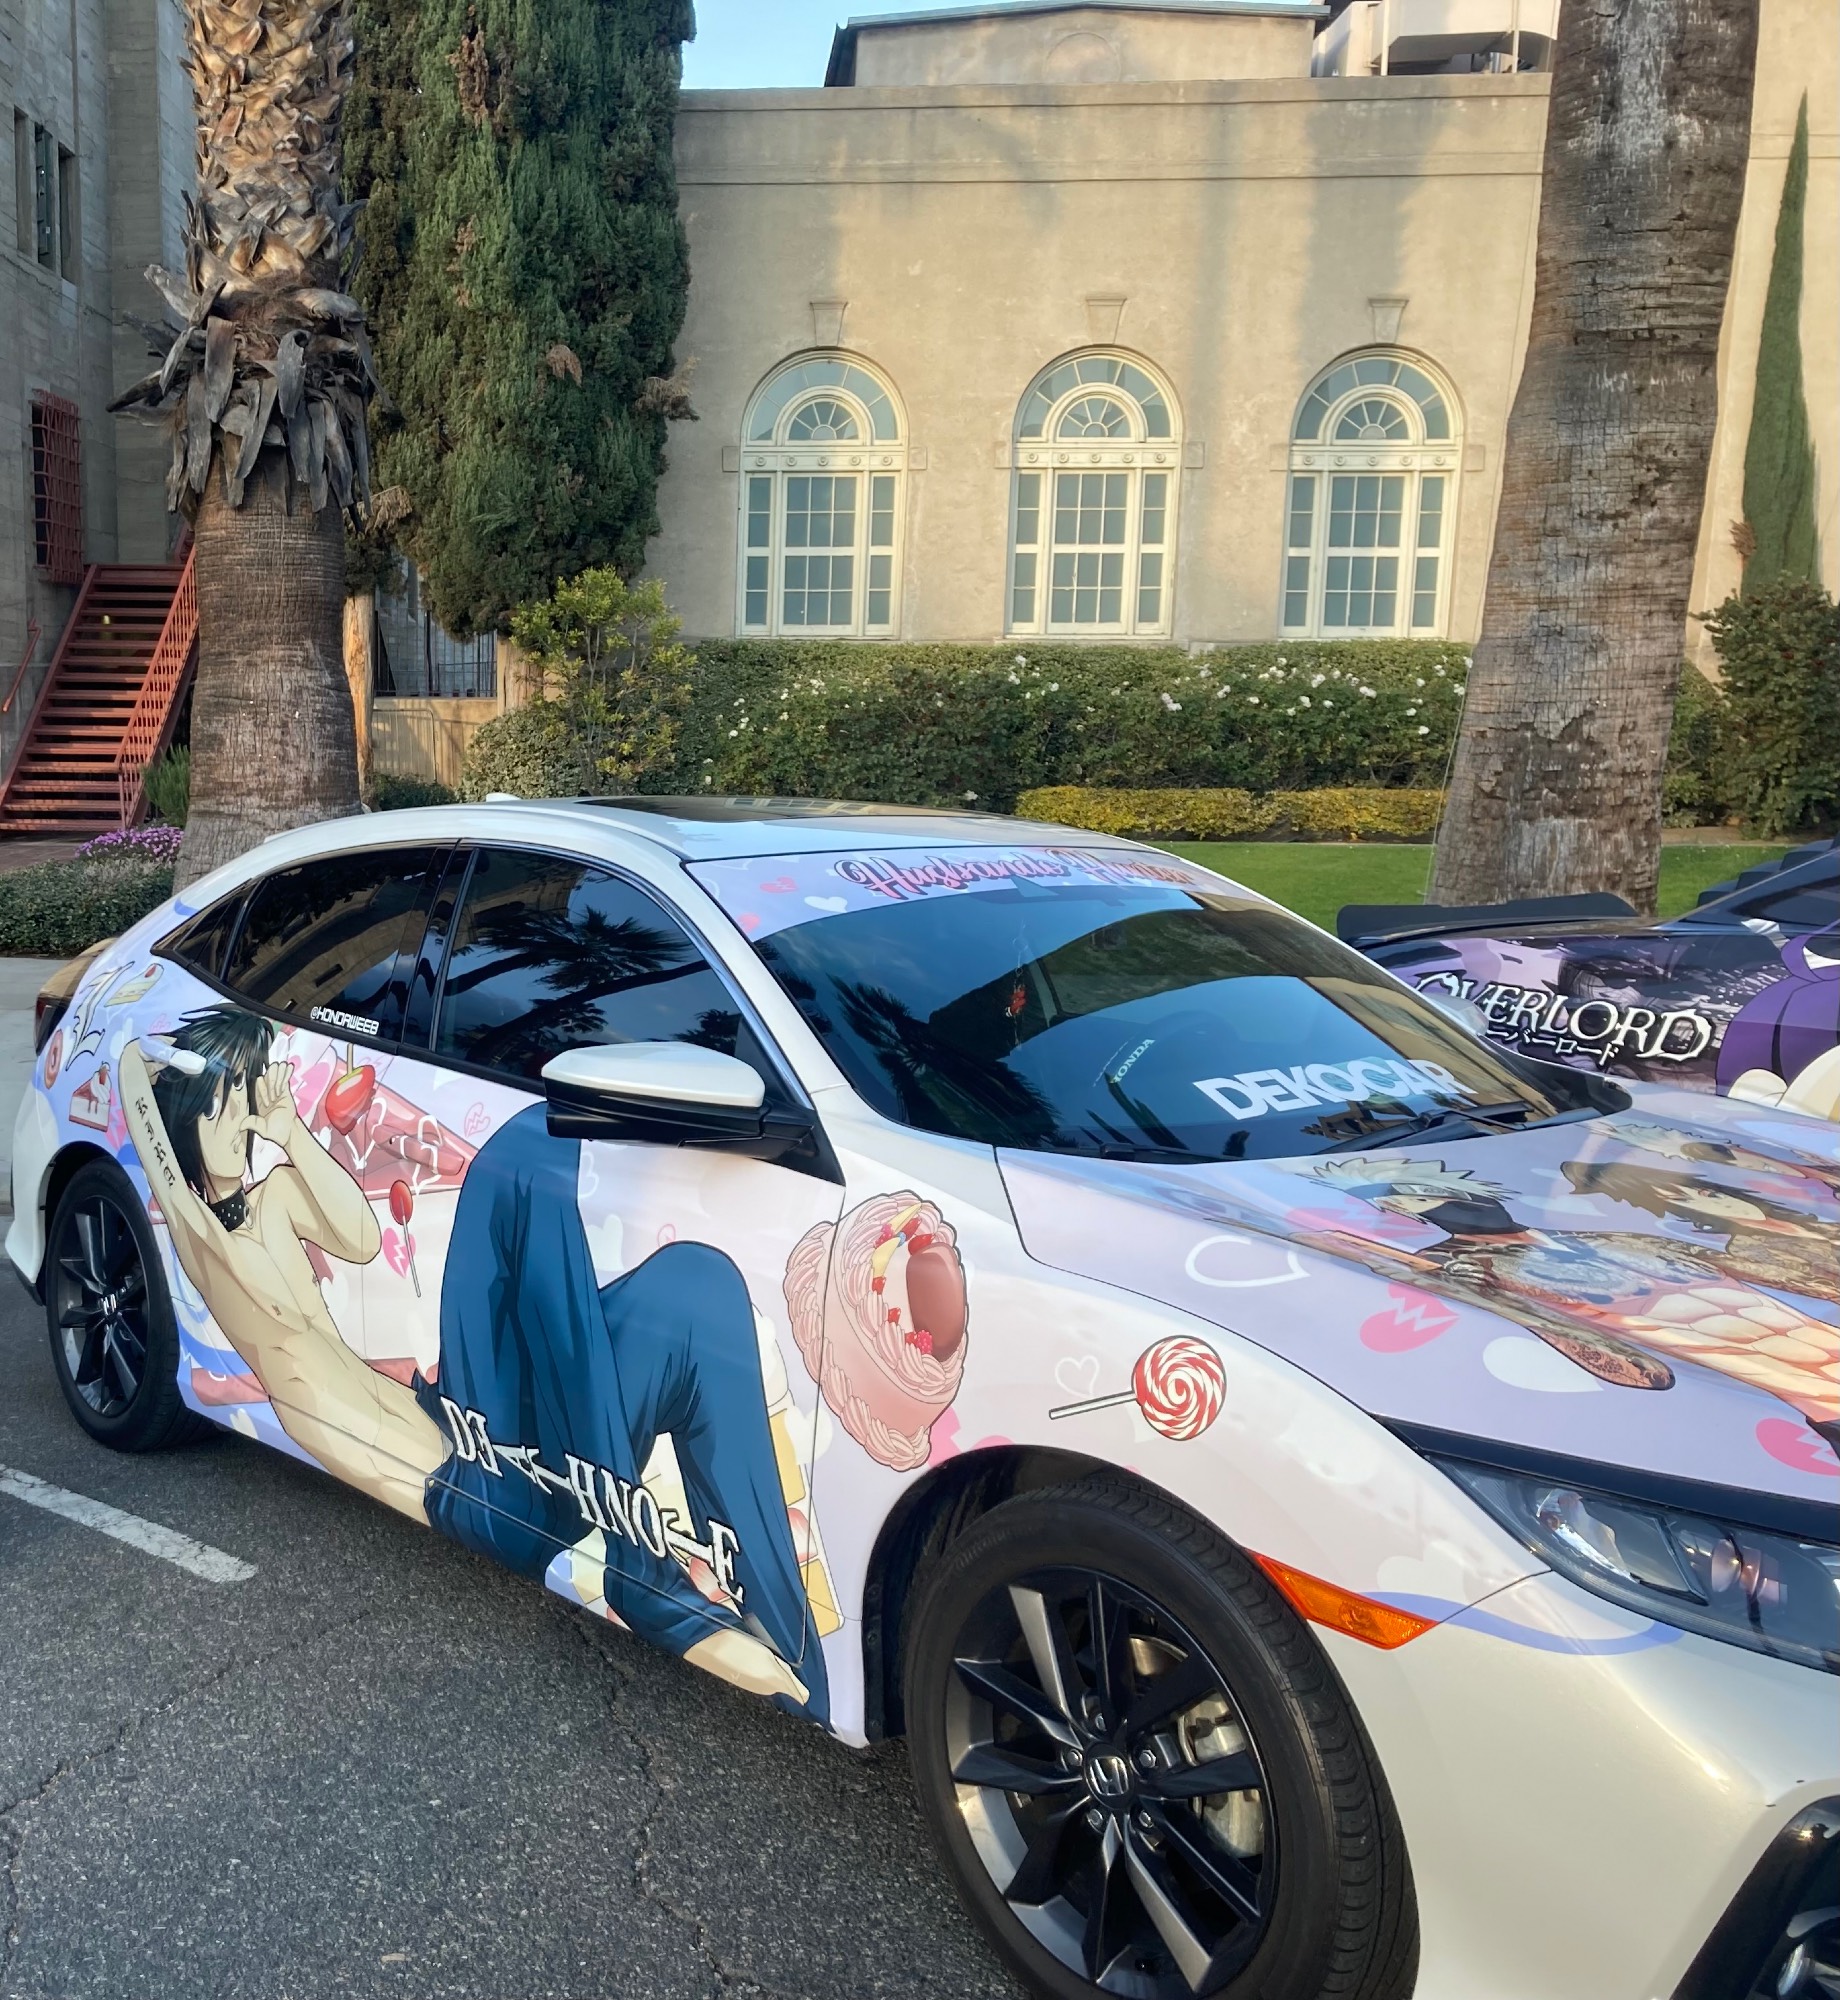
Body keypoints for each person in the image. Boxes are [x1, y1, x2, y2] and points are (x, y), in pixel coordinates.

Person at [124, 1004, 824, 1715]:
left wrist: (288, 1131)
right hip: (461, 1485)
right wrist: (148, 1050)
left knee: (698, 1287)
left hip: (468, 1427)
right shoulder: (204, 1241)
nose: (237, 1118)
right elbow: (145, 1116)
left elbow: (359, 1237)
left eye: (242, 1097)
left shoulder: (273, 1195)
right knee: (524, 1151)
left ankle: (790, 1636)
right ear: (184, 1117)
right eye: (220, 1104)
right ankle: (636, 1563)